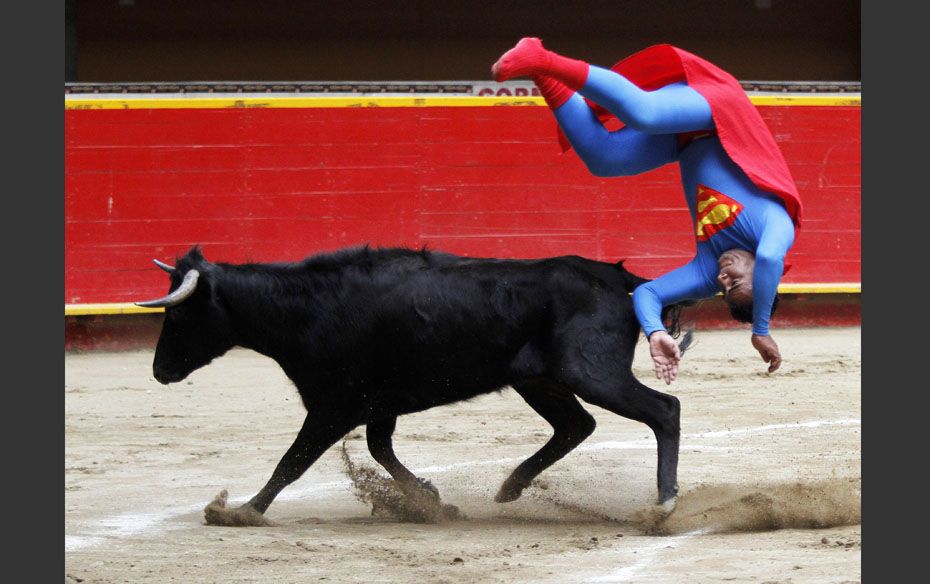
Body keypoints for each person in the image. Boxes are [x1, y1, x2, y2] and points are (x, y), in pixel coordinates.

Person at [491, 38, 802, 385]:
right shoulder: (776, 228)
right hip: (723, 115)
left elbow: (647, 293)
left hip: (686, 140)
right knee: (645, 112)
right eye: (738, 282)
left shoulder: (708, 270)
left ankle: (541, 72)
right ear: (764, 276)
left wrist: (655, 332)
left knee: (603, 158)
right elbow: (772, 258)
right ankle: (545, 59)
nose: (723, 280)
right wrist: (761, 330)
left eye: (725, 289)